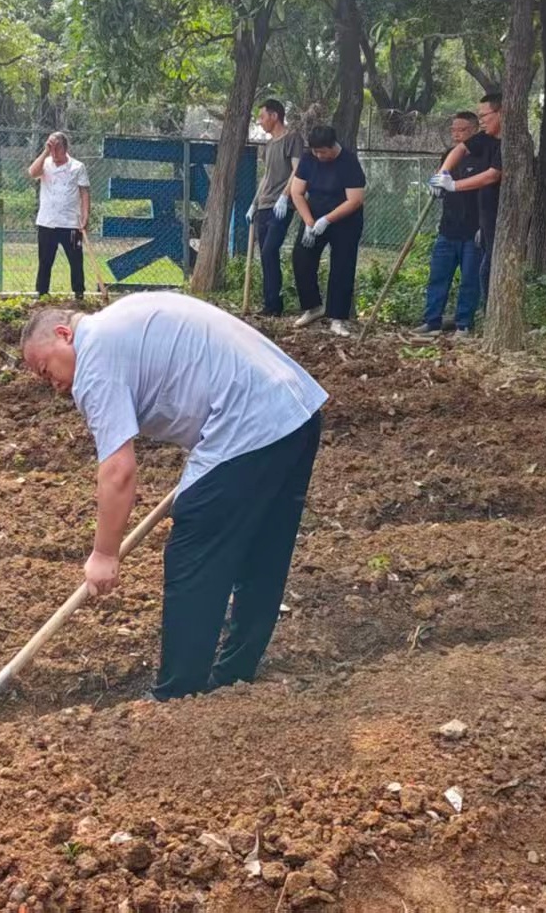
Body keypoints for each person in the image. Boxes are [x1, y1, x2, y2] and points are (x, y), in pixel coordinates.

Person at [20, 294, 327, 701]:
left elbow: (118, 470)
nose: (53, 385)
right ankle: (235, 677)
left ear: (64, 334)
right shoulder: (122, 321)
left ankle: (178, 694)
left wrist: (105, 554)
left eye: (46, 370)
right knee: (262, 554)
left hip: (251, 422)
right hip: (294, 410)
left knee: (195, 544)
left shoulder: (95, 359)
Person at [418, 111, 495, 337]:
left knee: (470, 280)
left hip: (474, 230)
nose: (456, 135)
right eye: (453, 130)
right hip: (448, 228)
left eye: (461, 130)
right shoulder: (449, 155)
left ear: (473, 130)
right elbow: (440, 176)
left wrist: (485, 225)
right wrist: (435, 184)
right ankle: (432, 322)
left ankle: (463, 323)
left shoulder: (484, 156)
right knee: (438, 276)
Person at [288, 125, 366, 337]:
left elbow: (355, 200)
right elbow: (297, 192)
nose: (319, 156)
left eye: (323, 152)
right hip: (314, 216)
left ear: (333, 146)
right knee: (301, 258)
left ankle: (338, 317)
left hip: (345, 220)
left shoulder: (348, 162)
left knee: (342, 266)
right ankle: (313, 306)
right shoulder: (308, 159)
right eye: (315, 151)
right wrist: (309, 221)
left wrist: (327, 220)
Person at [432, 93, 504, 306]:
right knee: (484, 272)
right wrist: (443, 173)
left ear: (501, 112)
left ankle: (478, 321)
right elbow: (461, 149)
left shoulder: (510, 143)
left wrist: (454, 185)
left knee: (484, 274)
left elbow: (493, 175)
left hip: (499, 221)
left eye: (485, 115)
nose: (481, 120)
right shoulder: (484, 139)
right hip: (481, 220)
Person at [249, 99, 303, 318]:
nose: (260, 122)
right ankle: (270, 304)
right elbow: (266, 176)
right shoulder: (269, 145)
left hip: (282, 206)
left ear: (274, 116)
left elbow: (297, 170)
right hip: (264, 204)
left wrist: (284, 196)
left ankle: (275, 303)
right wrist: (254, 203)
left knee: (271, 249)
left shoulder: (293, 139)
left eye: (262, 117)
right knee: (264, 254)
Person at [28, 132, 91, 299]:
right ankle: (41, 293)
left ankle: (79, 293)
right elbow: (32, 173)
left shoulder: (77, 167)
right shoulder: (45, 164)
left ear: (65, 148)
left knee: (76, 260)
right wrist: (45, 152)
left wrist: (85, 215)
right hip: (47, 221)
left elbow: (84, 192)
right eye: (51, 148)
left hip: (70, 222)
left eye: (57, 149)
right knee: (45, 260)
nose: (54, 153)